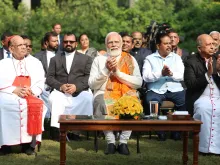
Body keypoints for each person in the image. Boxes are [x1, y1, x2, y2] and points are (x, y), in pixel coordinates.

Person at [89, 32, 142, 155]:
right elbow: (92, 84)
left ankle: (123, 142)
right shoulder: (99, 60)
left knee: (132, 102)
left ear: (121, 43)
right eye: (110, 42)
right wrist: (106, 70)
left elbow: (138, 82)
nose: (113, 45)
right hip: (103, 91)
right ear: (106, 45)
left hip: (126, 92)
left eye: (116, 42)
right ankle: (110, 142)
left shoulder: (130, 59)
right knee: (102, 102)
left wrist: (118, 74)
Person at [0, 35, 46, 155]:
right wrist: (14, 90)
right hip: (8, 94)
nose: (24, 47)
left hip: (29, 94)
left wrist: (31, 91)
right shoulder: (3, 64)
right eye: (20, 45)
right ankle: (5, 144)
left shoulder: (35, 63)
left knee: (38, 105)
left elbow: (41, 81)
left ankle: (29, 144)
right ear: (11, 49)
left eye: (25, 45)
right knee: (3, 105)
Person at [46, 32, 93, 139]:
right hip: (60, 92)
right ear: (63, 43)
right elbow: (49, 78)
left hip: (79, 92)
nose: (68, 43)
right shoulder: (55, 59)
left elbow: (88, 77)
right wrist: (60, 86)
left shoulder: (86, 59)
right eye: (66, 41)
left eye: (71, 42)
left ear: (76, 44)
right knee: (54, 98)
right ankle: (59, 131)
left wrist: (76, 87)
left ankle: (77, 131)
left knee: (88, 98)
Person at [142, 33, 185, 141]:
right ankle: (160, 131)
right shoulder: (149, 59)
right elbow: (146, 77)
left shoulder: (177, 58)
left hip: (175, 88)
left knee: (184, 101)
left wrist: (171, 74)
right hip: (156, 90)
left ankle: (177, 132)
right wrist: (160, 73)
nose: (169, 46)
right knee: (152, 102)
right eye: (166, 43)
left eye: (170, 43)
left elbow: (182, 75)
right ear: (158, 46)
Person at [184, 34, 220, 155]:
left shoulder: (218, 59)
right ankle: (204, 148)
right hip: (200, 97)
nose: (212, 47)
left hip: (218, 96)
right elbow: (191, 84)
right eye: (208, 44)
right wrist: (207, 75)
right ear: (199, 48)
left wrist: (219, 72)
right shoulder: (190, 62)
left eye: (213, 44)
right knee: (204, 109)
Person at [34, 32, 59, 119]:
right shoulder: (37, 57)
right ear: (46, 43)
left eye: (57, 41)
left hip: (58, 89)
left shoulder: (62, 55)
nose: (57, 43)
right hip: (42, 90)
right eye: (54, 41)